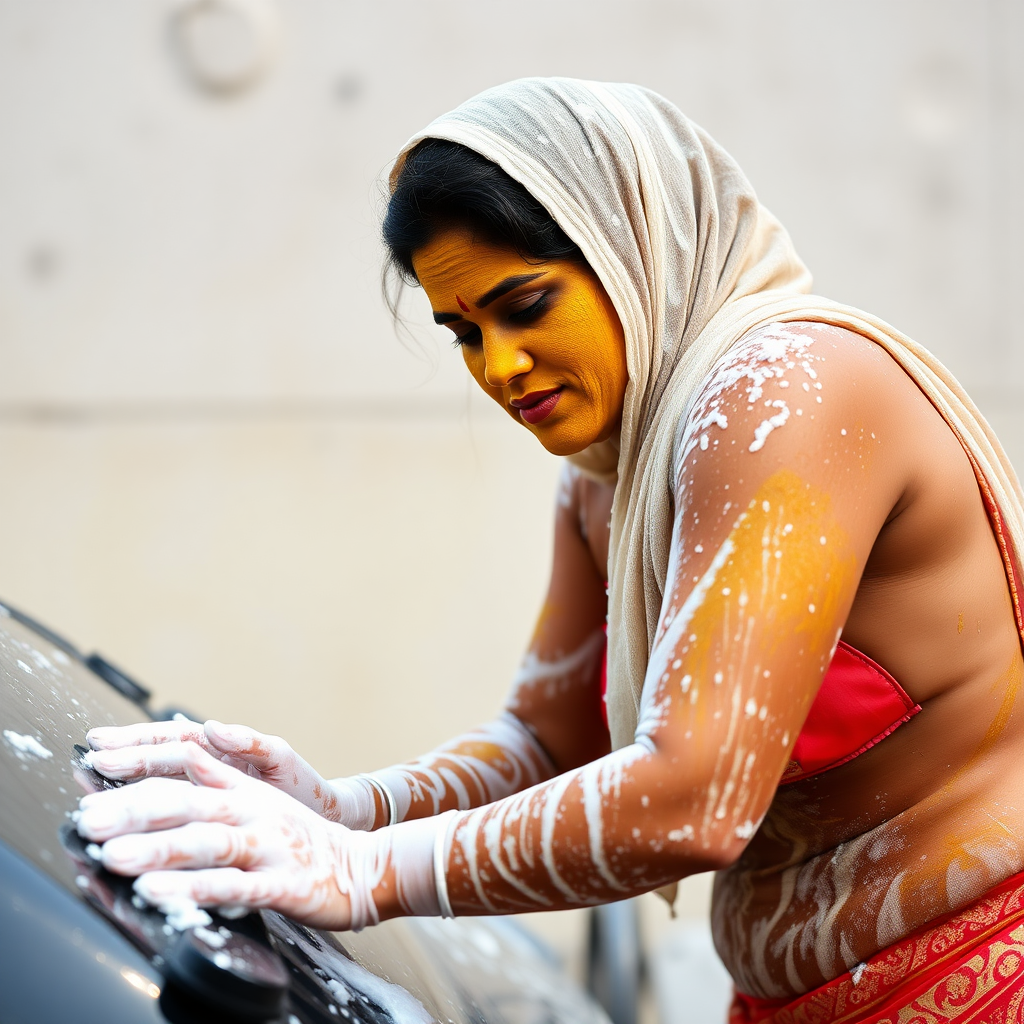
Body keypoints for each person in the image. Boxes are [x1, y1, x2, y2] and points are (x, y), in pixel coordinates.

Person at [77, 79, 1024, 1020]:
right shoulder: (614, 466)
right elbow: (548, 739)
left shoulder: (787, 390)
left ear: (632, 247)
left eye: (524, 304)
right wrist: (341, 811)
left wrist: (366, 872)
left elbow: (693, 798)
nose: (499, 367)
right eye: (464, 333)